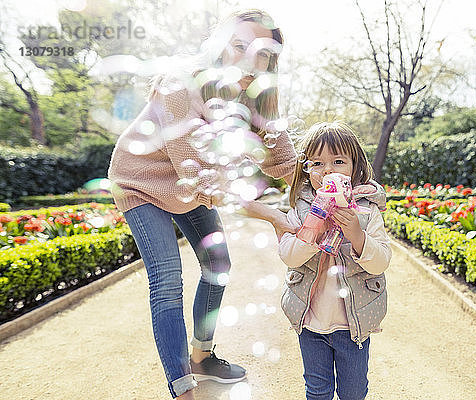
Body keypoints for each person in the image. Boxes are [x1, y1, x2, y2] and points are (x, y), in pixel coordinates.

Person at [107, 9, 297, 400]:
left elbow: (283, 161)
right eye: (238, 45)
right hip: (140, 182)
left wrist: (329, 180)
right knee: (168, 279)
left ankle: (202, 358)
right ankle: (182, 389)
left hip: (187, 185)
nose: (247, 59)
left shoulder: (255, 93)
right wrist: (272, 215)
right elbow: (204, 178)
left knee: (218, 264)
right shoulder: (180, 84)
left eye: (259, 52)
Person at [277, 121, 391, 400]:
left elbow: (381, 261)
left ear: (355, 167)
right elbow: (288, 254)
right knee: (317, 391)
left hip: (353, 324)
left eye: (338, 161)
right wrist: (313, 230)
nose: (327, 170)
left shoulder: (367, 210)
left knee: (353, 392)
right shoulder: (301, 208)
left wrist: (356, 234)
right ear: (307, 170)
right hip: (310, 321)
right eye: (317, 163)